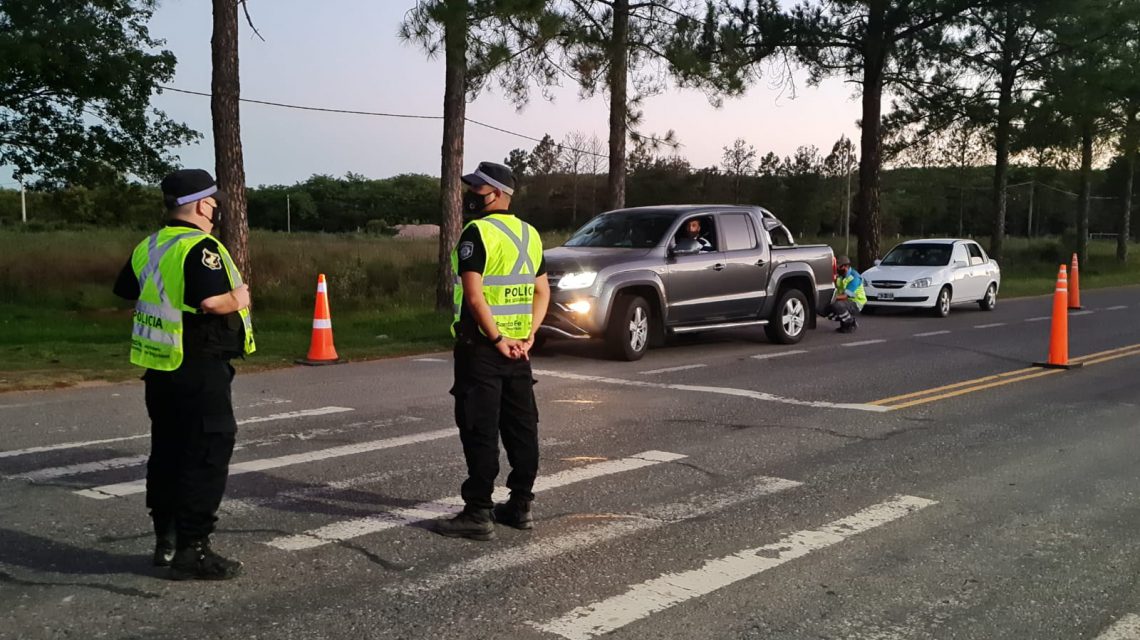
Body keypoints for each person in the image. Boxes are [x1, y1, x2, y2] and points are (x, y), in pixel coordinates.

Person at [112, 169, 255, 580]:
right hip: (199, 363)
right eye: (214, 203)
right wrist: (239, 297)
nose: (216, 210)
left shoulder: (150, 245)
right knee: (206, 454)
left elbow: (128, 290)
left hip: (159, 366)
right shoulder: (201, 246)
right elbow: (211, 302)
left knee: (169, 453)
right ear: (202, 204)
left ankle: (167, 540)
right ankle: (194, 549)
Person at [435, 161, 550, 541]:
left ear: (497, 193)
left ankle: (478, 512)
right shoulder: (529, 234)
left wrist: (497, 339)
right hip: (520, 349)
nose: (471, 196)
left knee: (479, 427)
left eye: (477, 190)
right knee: (521, 428)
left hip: (483, 348)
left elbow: (473, 294)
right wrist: (529, 337)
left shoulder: (477, 232)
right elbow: (542, 291)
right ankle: (520, 506)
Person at [825, 255, 866, 333]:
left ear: (846, 266)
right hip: (846, 301)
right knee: (828, 308)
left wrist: (832, 298)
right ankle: (844, 324)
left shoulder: (854, 278)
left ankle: (850, 323)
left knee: (837, 305)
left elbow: (845, 296)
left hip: (856, 302)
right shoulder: (841, 276)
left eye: (839, 267)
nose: (837, 268)